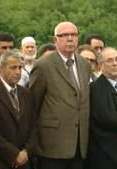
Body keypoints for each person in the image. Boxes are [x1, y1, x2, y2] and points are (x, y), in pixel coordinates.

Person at [29, 21, 91, 169]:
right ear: (55, 40)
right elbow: (33, 105)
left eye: (73, 35)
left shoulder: (85, 64)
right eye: (64, 35)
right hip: (52, 147)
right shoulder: (43, 65)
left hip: (80, 145)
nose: (70, 38)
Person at [0, 50, 38, 169]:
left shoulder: (27, 94)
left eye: (20, 67)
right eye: (13, 68)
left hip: (25, 162)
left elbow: (34, 126)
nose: (18, 72)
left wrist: (25, 152)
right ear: (1, 68)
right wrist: (14, 155)